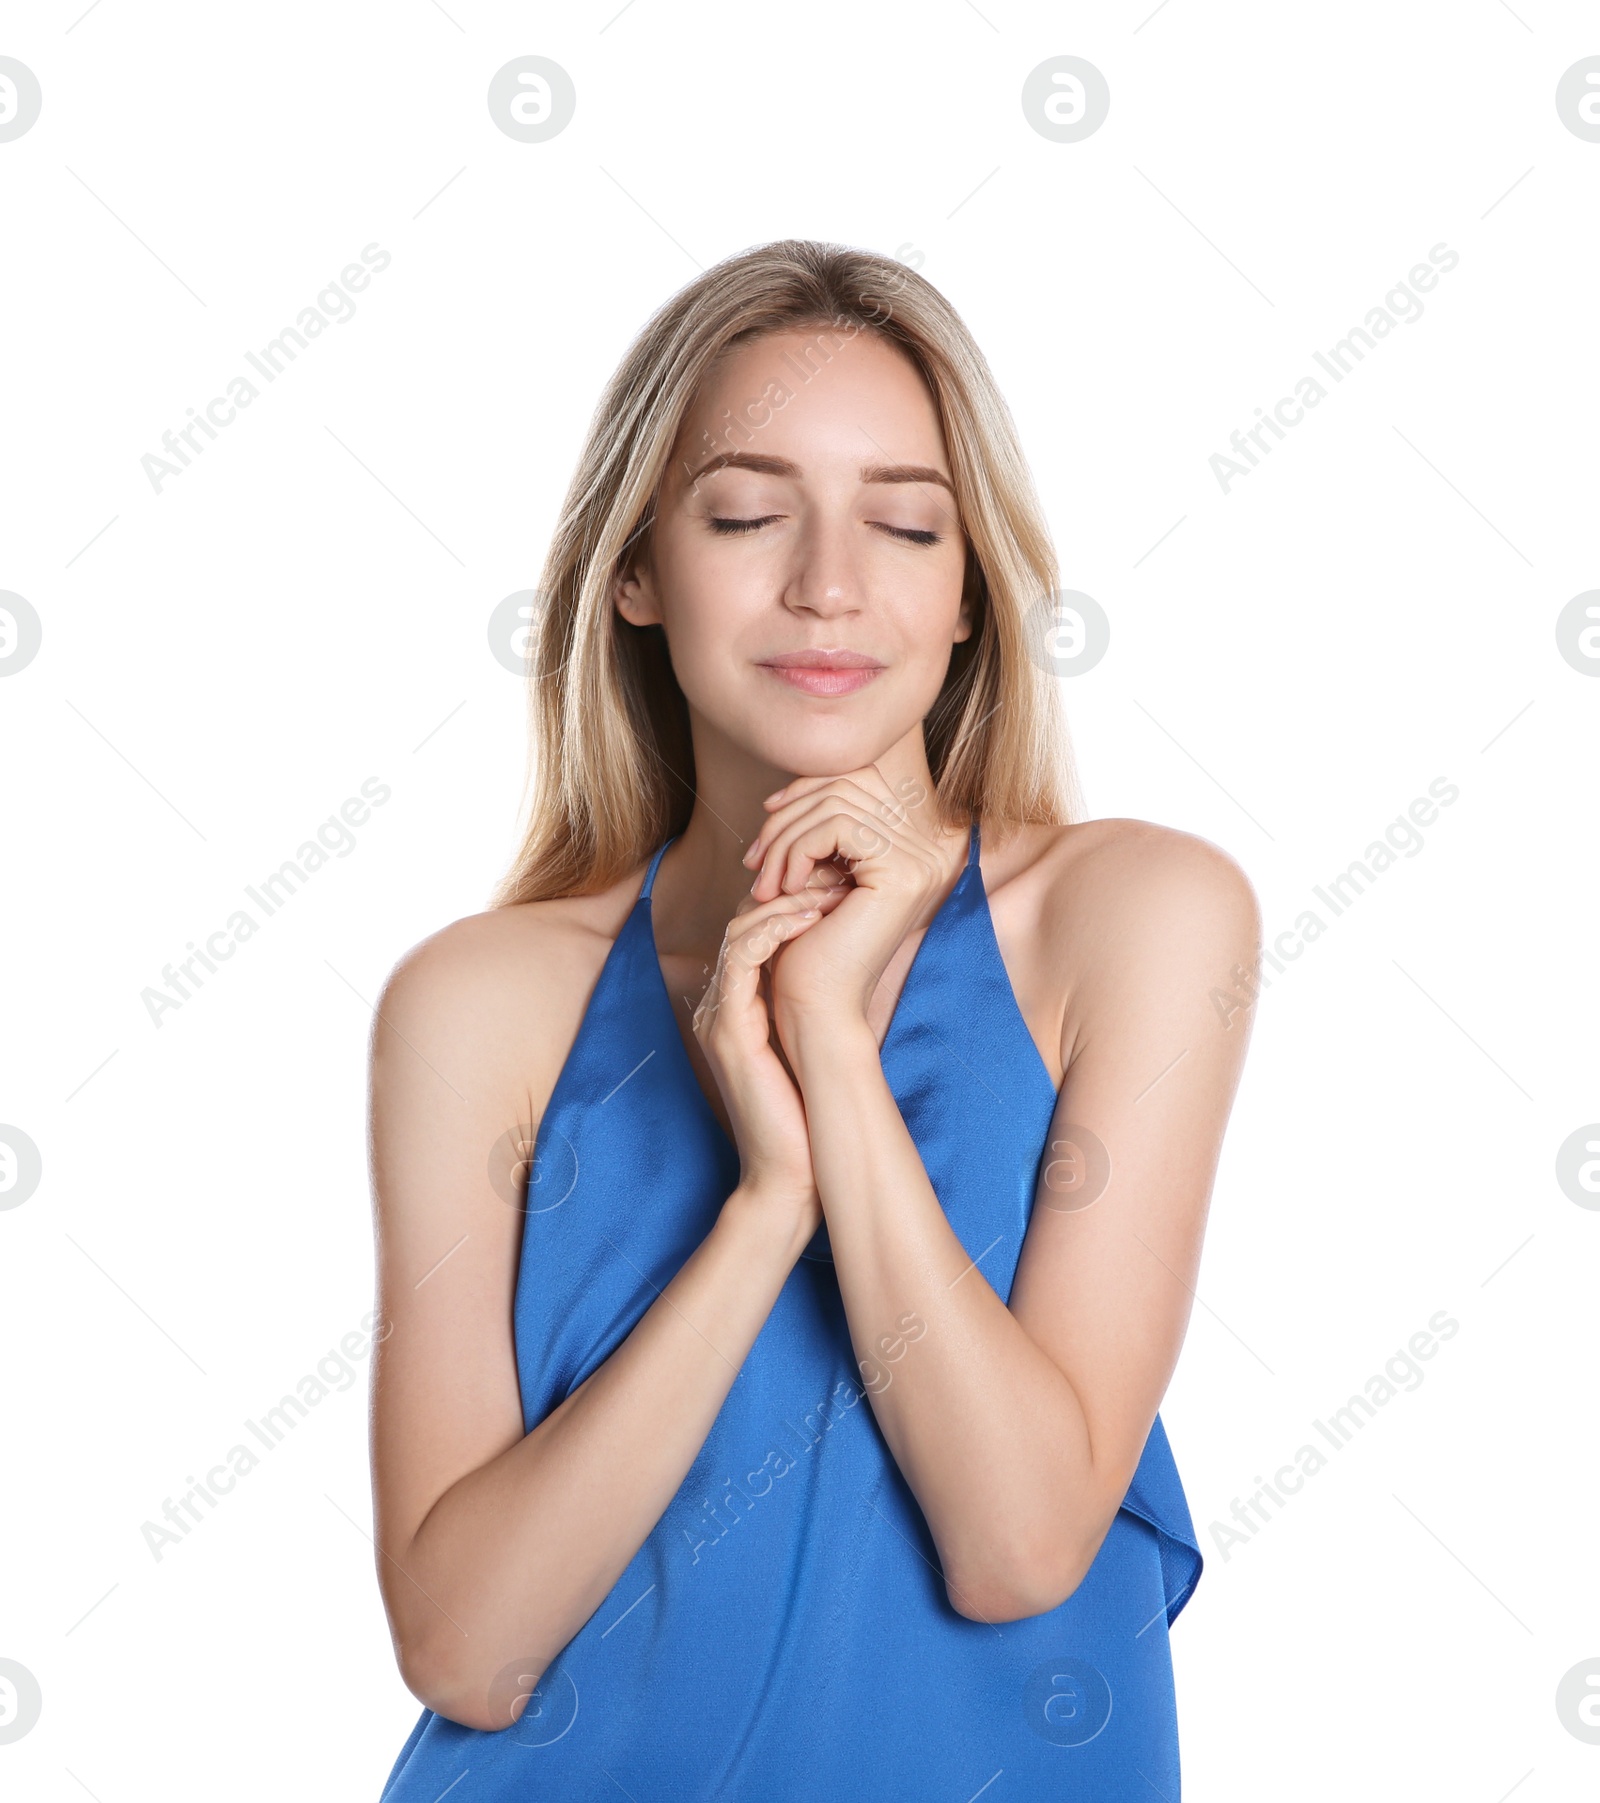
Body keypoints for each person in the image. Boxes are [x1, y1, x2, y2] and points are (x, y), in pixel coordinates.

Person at [369, 239, 1259, 1799]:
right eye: (745, 514)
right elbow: (465, 1647)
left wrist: (834, 1058)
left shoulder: (1134, 919)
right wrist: (764, 1208)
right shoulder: (481, 1001)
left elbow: (1018, 1541)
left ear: (972, 588)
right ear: (635, 570)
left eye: (907, 523)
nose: (828, 584)